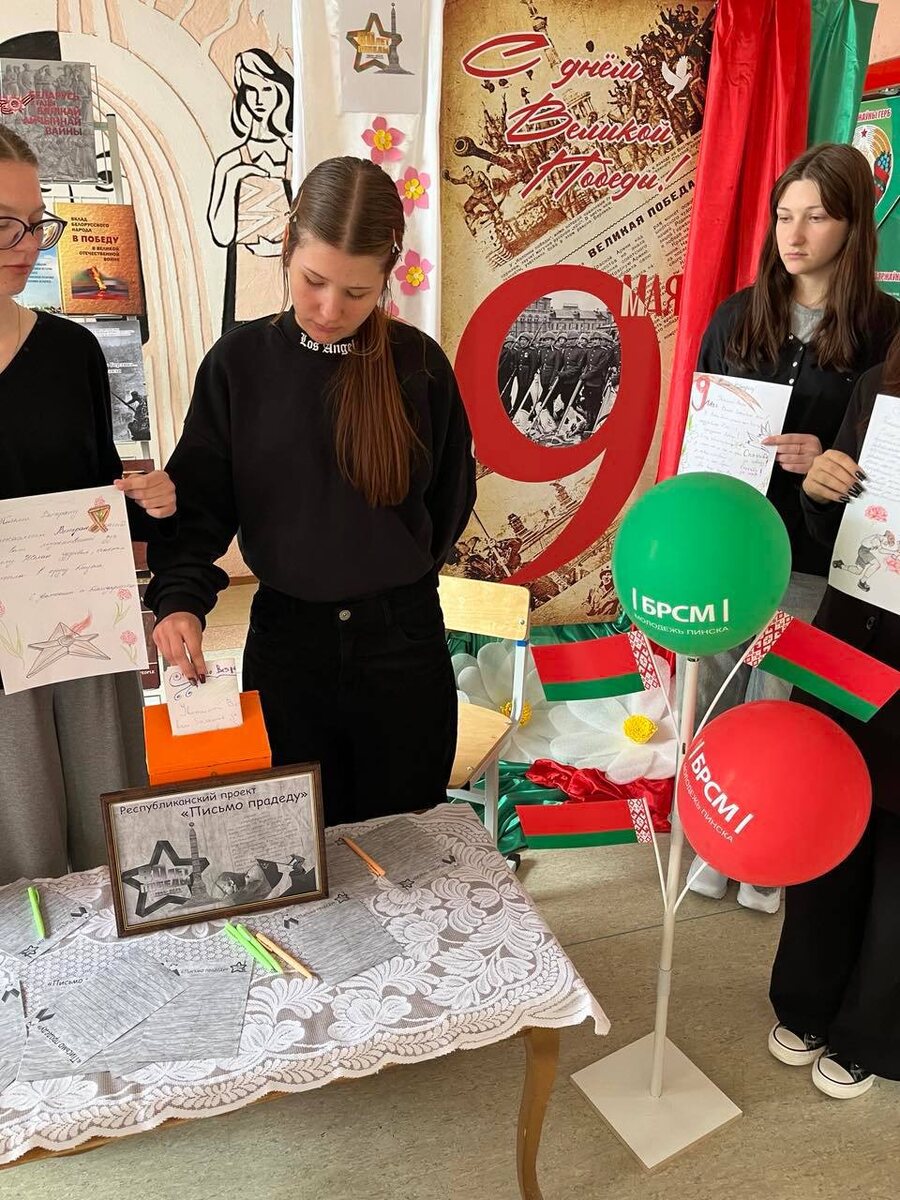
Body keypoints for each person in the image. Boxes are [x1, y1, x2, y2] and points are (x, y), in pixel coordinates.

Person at [148, 156, 476, 827]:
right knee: (293, 848)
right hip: (287, 648)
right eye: (313, 281)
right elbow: (201, 501)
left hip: (403, 648)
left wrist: (389, 568)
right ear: (287, 248)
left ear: (387, 276)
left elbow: (450, 499)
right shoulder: (239, 364)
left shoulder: (418, 366)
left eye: (357, 292)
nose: (330, 310)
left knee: (406, 845)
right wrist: (179, 599)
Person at [685, 142, 900, 913]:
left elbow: (882, 464)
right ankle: (710, 838)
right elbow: (703, 427)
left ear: (853, 227)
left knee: (779, 700)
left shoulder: (884, 330)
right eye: (784, 216)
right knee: (712, 690)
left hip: (814, 554)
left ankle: (765, 851)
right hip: (729, 544)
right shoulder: (738, 315)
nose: (794, 234)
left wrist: (830, 458)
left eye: (815, 217)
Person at [0, 125, 177, 884]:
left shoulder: (72, 352)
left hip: (85, 638)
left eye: (37, 222)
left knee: (114, 852)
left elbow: (101, 496)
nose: (28, 244)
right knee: (23, 870)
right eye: (5, 223)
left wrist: (152, 502)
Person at [768, 328, 900, 1099]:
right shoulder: (881, 381)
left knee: (896, 858)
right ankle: (807, 999)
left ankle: (872, 1033)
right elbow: (837, 530)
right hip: (849, 634)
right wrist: (820, 492)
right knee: (830, 827)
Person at [208, 49, 294, 331]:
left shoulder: (295, 157)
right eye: (251, 89)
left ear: (280, 91)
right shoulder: (230, 162)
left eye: (266, 89)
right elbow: (222, 234)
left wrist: (278, 248)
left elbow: (314, 228)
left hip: (290, 285)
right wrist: (235, 177)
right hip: (244, 286)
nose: (258, 99)